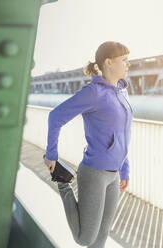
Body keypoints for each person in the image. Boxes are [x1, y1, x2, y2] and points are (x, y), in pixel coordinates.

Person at [43, 41, 132, 248]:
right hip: (94, 172)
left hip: (114, 174)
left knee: (100, 240)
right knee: (85, 238)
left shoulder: (122, 91)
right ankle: (63, 184)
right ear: (109, 63)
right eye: (124, 60)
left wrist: (125, 168)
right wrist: (51, 155)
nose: (128, 64)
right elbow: (55, 117)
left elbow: (124, 133)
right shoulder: (93, 93)